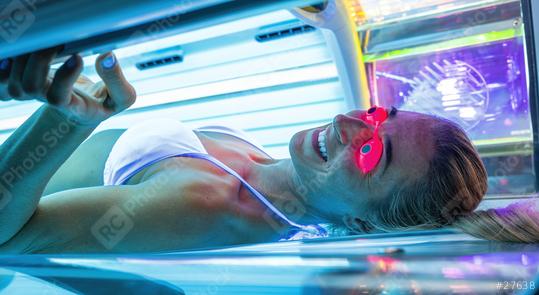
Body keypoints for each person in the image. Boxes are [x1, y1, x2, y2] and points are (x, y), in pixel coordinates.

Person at [0, 48, 529, 254]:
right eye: (374, 115)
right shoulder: (262, 167)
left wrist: (60, 122)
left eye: (372, 156)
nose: (349, 124)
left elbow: (9, 240)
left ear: (367, 225)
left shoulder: (208, 206)